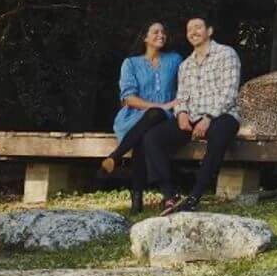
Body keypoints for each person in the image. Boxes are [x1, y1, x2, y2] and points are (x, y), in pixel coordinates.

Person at [140, 14, 242, 214]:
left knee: (220, 134)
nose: (193, 32)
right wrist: (181, 114)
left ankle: (195, 196)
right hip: (193, 117)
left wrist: (209, 118)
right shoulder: (185, 65)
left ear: (209, 31)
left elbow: (229, 92)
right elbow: (182, 96)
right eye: (189, 30)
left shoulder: (226, 54)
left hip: (222, 115)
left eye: (198, 27)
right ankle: (170, 195)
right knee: (152, 137)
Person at [104, 20, 180, 213]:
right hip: (133, 116)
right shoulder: (130, 63)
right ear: (145, 37)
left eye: (163, 32)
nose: (161, 35)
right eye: (155, 32)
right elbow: (128, 98)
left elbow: (186, 86)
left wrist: (170, 106)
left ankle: (116, 156)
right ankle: (138, 201)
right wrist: (160, 105)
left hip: (165, 116)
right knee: (144, 136)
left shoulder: (175, 60)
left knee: (154, 116)